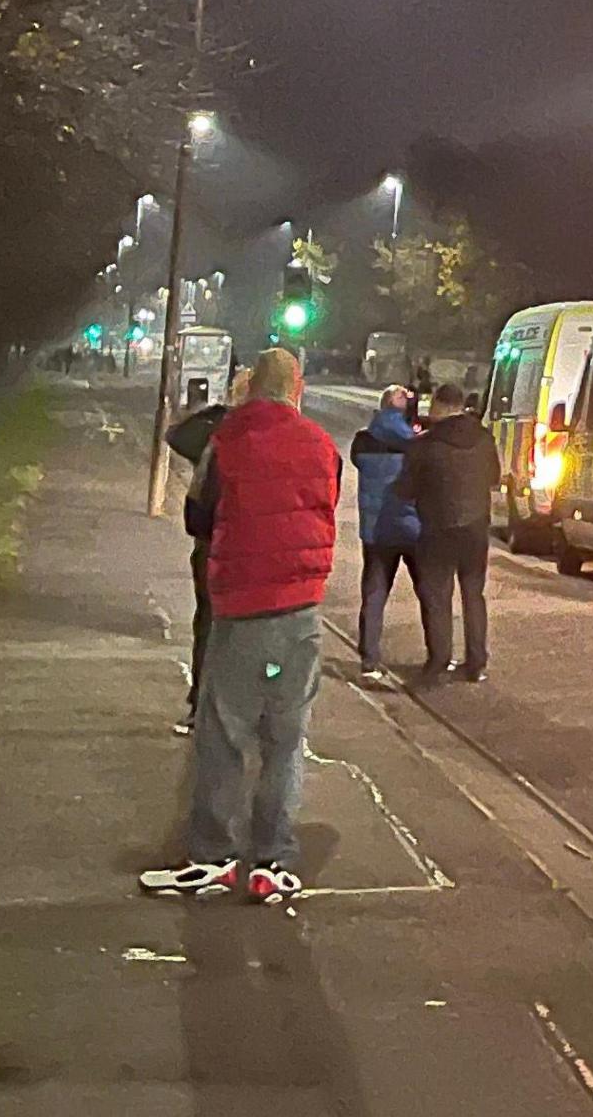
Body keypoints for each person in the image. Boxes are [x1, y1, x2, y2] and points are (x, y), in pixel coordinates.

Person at [143, 348, 337, 906]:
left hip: (240, 608)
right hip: (300, 613)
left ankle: (213, 855)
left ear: (250, 388)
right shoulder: (323, 446)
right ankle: (272, 860)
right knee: (285, 739)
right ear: (297, 390)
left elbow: (197, 515)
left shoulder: (227, 441)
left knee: (224, 734)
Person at [396, 384, 499, 683]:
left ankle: (440, 659)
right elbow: (493, 476)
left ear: (440, 406)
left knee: (438, 597)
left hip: (437, 530)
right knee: (473, 594)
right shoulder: (484, 439)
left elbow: (405, 489)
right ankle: (476, 661)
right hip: (475, 528)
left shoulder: (424, 445)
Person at [162, 377, 230, 735]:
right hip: (260, 556)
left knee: (209, 625)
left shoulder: (219, 437)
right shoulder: (293, 436)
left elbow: (178, 436)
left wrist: (218, 411)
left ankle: (202, 704)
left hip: (215, 544)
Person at [347, 387, 426, 687]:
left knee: (374, 595)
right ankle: (437, 654)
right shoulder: (413, 442)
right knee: (429, 592)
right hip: (410, 527)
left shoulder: (363, 440)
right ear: (398, 405)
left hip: (376, 530)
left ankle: (369, 658)